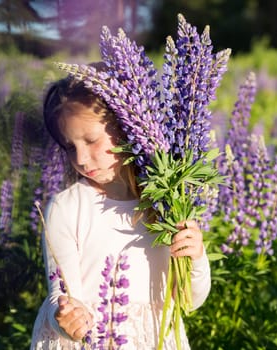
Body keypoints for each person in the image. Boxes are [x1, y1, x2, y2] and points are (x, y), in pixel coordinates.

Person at [30, 67, 211, 350]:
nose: (81, 158)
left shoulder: (167, 204)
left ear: (128, 127)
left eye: (91, 141)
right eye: (69, 146)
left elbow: (190, 301)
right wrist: (64, 318)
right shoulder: (65, 209)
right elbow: (60, 294)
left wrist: (197, 257)